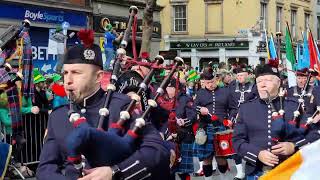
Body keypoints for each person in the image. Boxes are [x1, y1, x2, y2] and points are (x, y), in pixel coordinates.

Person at [36, 29, 170, 180]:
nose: (68, 80)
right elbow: (46, 168)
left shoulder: (122, 106)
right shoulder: (58, 116)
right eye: (65, 73)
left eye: (76, 72)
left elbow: (156, 150)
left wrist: (115, 172)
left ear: (98, 77)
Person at [232, 63, 305, 179]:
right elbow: (237, 141)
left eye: (267, 80)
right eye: (259, 81)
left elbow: (312, 134)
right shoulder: (246, 108)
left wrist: (293, 146)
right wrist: (258, 154)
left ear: (279, 83)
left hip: (290, 170)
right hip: (256, 171)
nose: (262, 85)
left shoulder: (294, 106)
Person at [193, 70, 230, 180]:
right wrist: (200, 109)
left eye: (212, 82)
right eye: (207, 83)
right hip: (205, 127)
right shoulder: (200, 93)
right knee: (206, 158)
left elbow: (233, 107)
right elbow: (193, 108)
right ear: (203, 82)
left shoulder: (225, 91)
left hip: (221, 128)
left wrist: (230, 119)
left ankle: (224, 177)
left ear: (217, 80)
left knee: (221, 157)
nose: (210, 85)